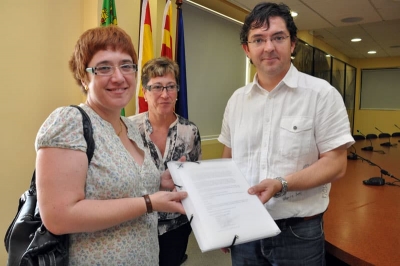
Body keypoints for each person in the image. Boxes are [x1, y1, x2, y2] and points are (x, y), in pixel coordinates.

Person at [35, 26, 187, 266]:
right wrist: (149, 203)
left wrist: (160, 180)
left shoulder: (130, 128)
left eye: (126, 66)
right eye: (104, 67)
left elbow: (122, 182)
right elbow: (59, 216)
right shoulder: (70, 121)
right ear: (84, 77)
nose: (119, 76)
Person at [218, 2, 355, 265]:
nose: (268, 47)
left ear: (292, 44)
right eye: (258, 39)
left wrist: (282, 184)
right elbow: (228, 162)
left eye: (278, 37)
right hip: (245, 229)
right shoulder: (236, 101)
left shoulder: (322, 95)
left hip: (298, 233)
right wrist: (224, 220)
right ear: (247, 49)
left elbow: (336, 164)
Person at [129, 57, 201, 266]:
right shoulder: (128, 129)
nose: (165, 94)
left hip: (176, 225)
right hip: (138, 222)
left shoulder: (190, 131)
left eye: (171, 87)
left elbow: (194, 180)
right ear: (144, 91)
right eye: (157, 87)